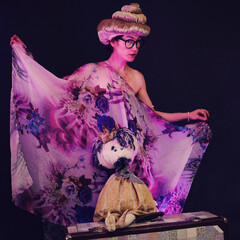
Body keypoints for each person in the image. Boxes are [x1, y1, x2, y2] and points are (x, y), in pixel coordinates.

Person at [10, 3, 211, 239]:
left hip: (129, 162)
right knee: (93, 218)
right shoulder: (92, 71)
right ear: (113, 41)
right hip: (98, 159)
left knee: (127, 221)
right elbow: (58, 94)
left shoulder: (137, 78)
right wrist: (25, 59)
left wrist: (188, 115)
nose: (134, 47)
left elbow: (153, 117)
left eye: (138, 42)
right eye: (128, 41)